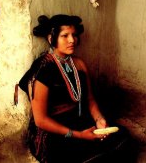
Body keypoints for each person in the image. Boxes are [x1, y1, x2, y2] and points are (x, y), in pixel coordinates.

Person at [19, 14, 137, 163]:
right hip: (54, 131)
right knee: (88, 156)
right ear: (51, 38)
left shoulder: (79, 64)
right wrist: (79, 135)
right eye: (65, 36)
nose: (72, 40)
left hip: (78, 119)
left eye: (74, 35)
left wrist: (99, 119)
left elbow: (89, 99)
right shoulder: (42, 69)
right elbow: (41, 120)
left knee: (122, 138)